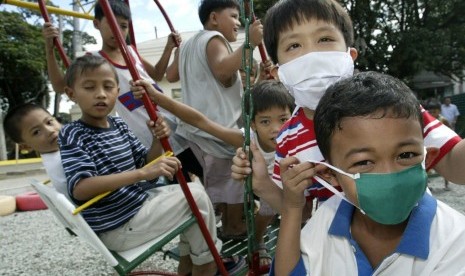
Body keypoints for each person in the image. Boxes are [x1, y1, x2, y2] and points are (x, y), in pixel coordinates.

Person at [231, 0, 465, 217]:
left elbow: (456, 167)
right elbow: (297, 210)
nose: (312, 56)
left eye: (324, 39)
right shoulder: (289, 140)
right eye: (294, 45)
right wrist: (262, 183)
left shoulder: (393, 107)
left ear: (350, 55)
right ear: (277, 73)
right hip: (342, 248)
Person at [59, 55, 245, 276]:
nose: (100, 94)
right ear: (71, 94)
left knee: (194, 191)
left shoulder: (119, 125)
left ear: (117, 92)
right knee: (195, 199)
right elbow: (80, 189)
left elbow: (147, 166)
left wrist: (157, 140)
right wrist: (141, 173)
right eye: (89, 87)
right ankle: (206, 264)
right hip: (118, 225)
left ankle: (188, 263)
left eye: (108, 87)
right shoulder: (73, 133)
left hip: (136, 207)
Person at [273, 71, 465, 275]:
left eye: (406, 154)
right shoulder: (327, 220)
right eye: (363, 162)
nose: (389, 177)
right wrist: (292, 207)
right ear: (331, 175)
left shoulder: (454, 238)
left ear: (428, 159)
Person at [131, 78, 294, 265]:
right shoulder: (247, 139)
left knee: (274, 211)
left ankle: (259, 237)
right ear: (253, 124)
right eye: (265, 121)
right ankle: (256, 240)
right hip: (260, 183)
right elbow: (202, 122)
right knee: (264, 205)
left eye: (283, 119)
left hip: (284, 182)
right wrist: (157, 97)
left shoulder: (295, 135)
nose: (276, 129)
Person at [42, 0, 203, 183]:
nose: (117, 30)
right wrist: (49, 49)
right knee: (180, 183)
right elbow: (60, 85)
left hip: (172, 123)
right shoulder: (94, 61)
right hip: (150, 134)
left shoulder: (131, 52)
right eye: (110, 24)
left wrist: (168, 48)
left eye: (123, 26)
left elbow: (157, 74)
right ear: (96, 24)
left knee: (207, 174)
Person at [165, 0, 264, 238]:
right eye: (233, 16)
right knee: (236, 177)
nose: (238, 23)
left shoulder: (189, 44)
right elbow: (221, 69)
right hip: (215, 130)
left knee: (222, 180)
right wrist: (249, 42)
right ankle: (233, 227)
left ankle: (224, 222)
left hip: (193, 131)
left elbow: (171, 75)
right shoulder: (214, 39)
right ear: (214, 18)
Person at [3, 103, 68, 196]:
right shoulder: (65, 158)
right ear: (26, 146)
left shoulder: (54, 157)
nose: (49, 130)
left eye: (49, 122)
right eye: (36, 132)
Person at [426, 100, 451, 190]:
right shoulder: (427, 121)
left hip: (442, 145)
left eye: (434, 112)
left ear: (439, 111)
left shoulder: (443, 120)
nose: (432, 114)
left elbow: (450, 131)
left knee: (445, 165)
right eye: (430, 112)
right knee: (427, 166)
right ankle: (427, 186)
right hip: (431, 145)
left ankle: (446, 184)